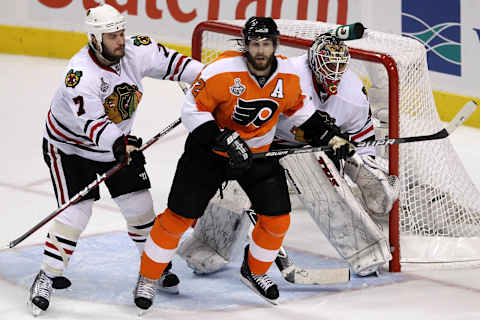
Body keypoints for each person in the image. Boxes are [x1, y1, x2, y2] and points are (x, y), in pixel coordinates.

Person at [132, 16, 355, 310]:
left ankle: (255, 270)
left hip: (257, 157)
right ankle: (148, 277)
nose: (260, 50)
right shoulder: (222, 70)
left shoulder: (288, 76)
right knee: (177, 219)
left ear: (275, 45)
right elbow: (193, 110)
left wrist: (332, 137)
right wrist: (222, 138)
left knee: (277, 220)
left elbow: (302, 112)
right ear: (245, 46)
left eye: (266, 44)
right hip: (208, 155)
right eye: (254, 44)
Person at [28, 3, 203, 316]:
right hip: (70, 148)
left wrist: (213, 81)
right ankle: (47, 274)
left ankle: (155, 268)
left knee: (140, 208)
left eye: (122, 32)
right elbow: (93, 124)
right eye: (112, 36)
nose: (121, 40)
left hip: (117, 145)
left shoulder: (137, 51)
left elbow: (180, 66)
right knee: (77, 212)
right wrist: (121, 145)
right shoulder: (79, 74)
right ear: (96, 39)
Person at [178, 33, 398, 279]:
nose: (334, 72)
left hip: (312, 149)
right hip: (264, 139)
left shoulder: (353, 94)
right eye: (329, 65)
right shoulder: (288, 74)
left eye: (339, 66)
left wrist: (361, 159)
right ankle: (208, 247)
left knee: (324, 185)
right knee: (234, 186)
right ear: (314, 62)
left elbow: (362, 135)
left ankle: (367, 252)